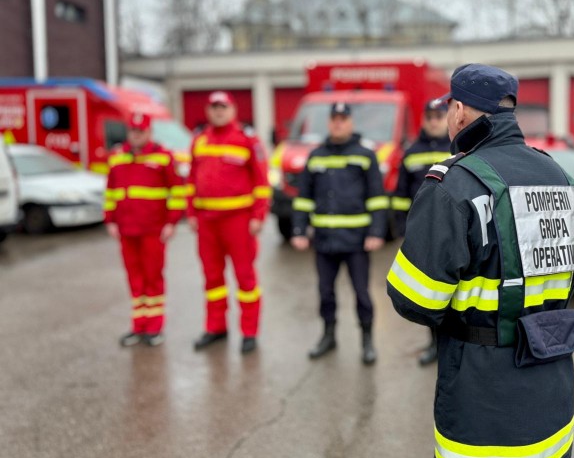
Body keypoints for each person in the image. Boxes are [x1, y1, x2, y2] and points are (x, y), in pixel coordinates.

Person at [386, 64, 574, 458]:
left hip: (483, 408)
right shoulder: (563, 180)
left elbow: (414, 300)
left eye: (450, 109)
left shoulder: (453, 185)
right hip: (551, 406)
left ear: (459, 111)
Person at [291, 101, 388, 365]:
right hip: (324, 241)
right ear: (329, 122)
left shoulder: (365, 155)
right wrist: (299, 230)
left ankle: (367, 340)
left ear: (351, 123)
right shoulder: (316, 155)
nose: (338, 123)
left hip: (356, 241)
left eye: (343, 119)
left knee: (361, 293)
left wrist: (376, 231)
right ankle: (328, 335)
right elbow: (304, 198)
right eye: (334, 119)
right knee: (325, 293)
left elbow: (377, 197)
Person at [186, 91, 271, 354]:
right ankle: (216, 327)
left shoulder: (247, 139)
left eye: (223, 106)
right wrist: (191, 213)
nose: (218, 111)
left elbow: (261, 181)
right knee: (212, 278)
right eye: (214, 107)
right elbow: (191, 179)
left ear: (233, 109)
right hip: (207, 222)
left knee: (245, 277)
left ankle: (249, 332)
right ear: (208, 111)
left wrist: (258, 215)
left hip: (238, 220)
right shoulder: (199, 140)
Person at [105, 112, 186, 347]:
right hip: (126, 229)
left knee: (153, 277)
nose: (136, 135)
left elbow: (177, 191)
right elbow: (110, 191)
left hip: (153, 229)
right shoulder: (117, 157)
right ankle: (138, 326)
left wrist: (171, 222)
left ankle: (154, 327)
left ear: (149, 132)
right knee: (134, 279)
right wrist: (110, 220)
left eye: (141, 131)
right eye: (133, 131)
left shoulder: (163, 157)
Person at [392, 98, 451, 366]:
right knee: (430, 292)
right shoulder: (411, 152)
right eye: (430, 117)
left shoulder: (458, 148)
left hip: (453, 231)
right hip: (423, 235)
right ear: (423, 120)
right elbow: (401, 196)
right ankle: (434, 343)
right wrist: (402, 230)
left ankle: (452, 342)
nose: (434, 122)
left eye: (439, 117)